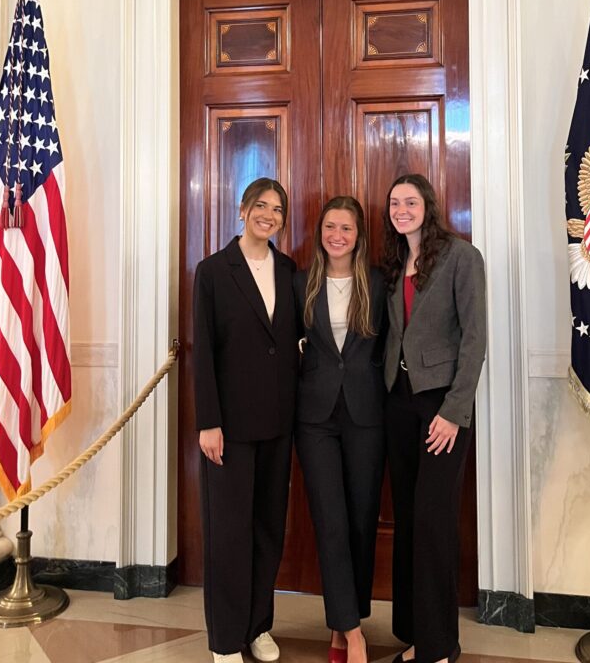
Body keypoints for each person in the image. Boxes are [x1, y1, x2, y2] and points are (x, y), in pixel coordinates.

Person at [381, 174, 486, 663]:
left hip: (441, 407)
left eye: (410, 201)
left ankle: (440, 646)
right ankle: (417, 634)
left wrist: (453, 412)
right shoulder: (394, 261)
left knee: (434, 522)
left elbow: (474, 341)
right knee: (408, 520)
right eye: (394, 203)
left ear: (428, 205)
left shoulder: (462, 258)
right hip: (398, 404)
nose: (402, 209)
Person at [193, 178, 297, 663]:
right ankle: (226, 639)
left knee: (267, 530)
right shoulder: (213, 272)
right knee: (228, 534)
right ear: (242, 209)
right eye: (261, 206)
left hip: (278, 424)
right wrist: (208, 422)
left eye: (277, 209)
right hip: (229, 429)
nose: (269, 215)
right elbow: (205, 356)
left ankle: (258, 626)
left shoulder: (290, 270)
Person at [294, 197, 388, 663]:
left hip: (367, 416)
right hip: (314, 420)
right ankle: (353, 634)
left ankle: (341, 622)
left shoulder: (377, 283)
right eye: (330, 227)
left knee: (359, 522)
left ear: (358, 235)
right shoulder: (300, 283)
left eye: (346, 228)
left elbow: (393, 348)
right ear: (320, 232)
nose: (337, 235)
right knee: (330, 523)